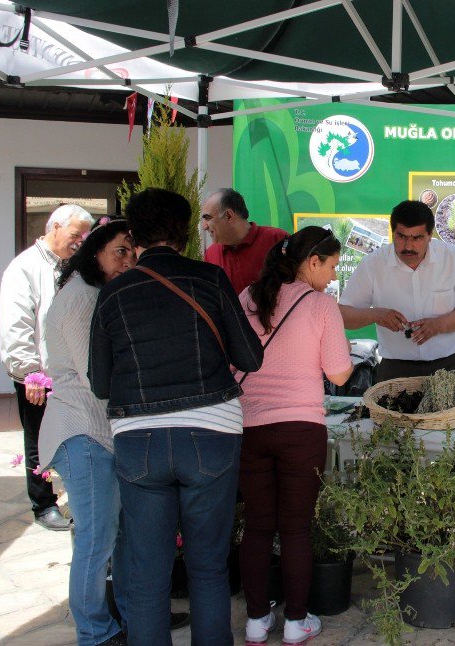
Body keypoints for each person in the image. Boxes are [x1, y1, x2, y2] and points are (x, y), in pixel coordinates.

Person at [89, 188, 264, 646]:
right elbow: (250, 356)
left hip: (139, 439)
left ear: (135, 235)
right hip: (211, 434)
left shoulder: (113, 295)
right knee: (207, 567)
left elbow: (102, 384)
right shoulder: (209, 279)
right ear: (186, 232)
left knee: (148, 574)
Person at [236, 227, 354, 645]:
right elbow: (339, 372)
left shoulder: (248, 297)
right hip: (301, 429)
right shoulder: (321, 305)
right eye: (332, 265)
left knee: (257, 527)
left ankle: (255, 622)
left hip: (249, 426)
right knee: (296, 529)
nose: (332, 274)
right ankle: (295, 623)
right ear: (312, 261)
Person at [37, 218, 133, 646]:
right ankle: (94, 632)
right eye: (120, 251)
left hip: (97, 431)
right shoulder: (81, 297)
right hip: (82, 431)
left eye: (133, 252)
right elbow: (96, 376)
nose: (128, 260)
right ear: (94, 253)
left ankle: (134, 616)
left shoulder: (94, 292)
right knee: (96, 537)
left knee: (111, 534)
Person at [0, 203, 94, 530]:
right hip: (39, 375)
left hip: (70, 374)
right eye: (75, 234)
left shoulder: (74, 266)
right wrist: (29, 373)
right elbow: (16, 325)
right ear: (54, 227)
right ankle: (43, 504)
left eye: (85, 236)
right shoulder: (24, 267)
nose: (80, 241)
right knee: (38, 439)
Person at [339, 200, 455, 382]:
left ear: (430, 235)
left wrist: (437, 326)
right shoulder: (373, 264)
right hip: (395, 368)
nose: (408, 246)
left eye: (417, 238)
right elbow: (342, 315)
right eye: (402, 236)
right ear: (393, 233)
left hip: (449, 366)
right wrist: (376, 315)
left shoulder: (452, 258)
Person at [201, 188, 288, 295]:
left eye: (208, 218)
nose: (204, 226)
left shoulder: (278, 239)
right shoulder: (211, 254)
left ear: (229, 216)